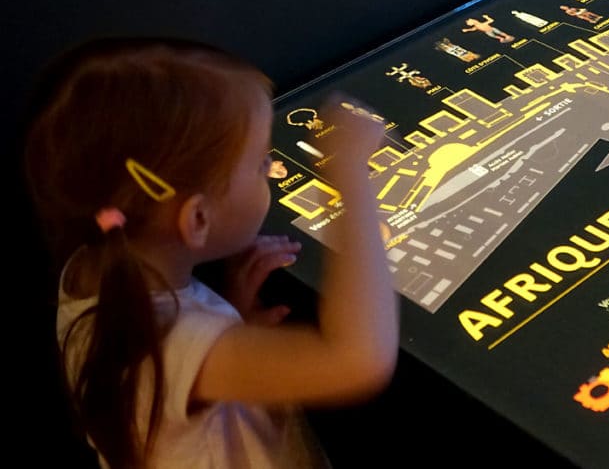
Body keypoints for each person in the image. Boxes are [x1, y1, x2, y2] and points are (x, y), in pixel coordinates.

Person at [23, 36, 400, 469]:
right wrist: (352, 175)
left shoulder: (90, 269)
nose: (270, 173)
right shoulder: (170, 347)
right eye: (261, 165)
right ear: (197, 220)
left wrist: (231, 320)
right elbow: (357, 361)